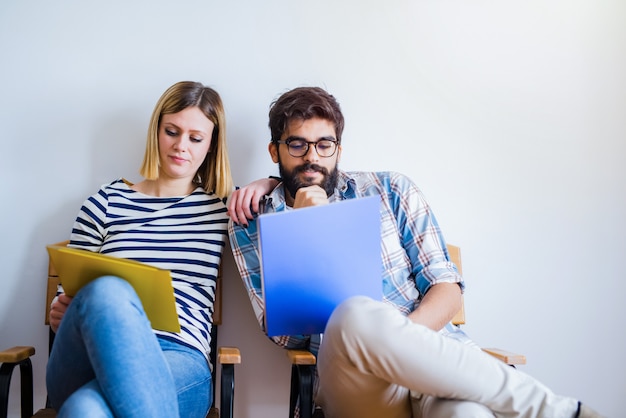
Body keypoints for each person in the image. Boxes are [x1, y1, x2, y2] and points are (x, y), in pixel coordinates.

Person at [227, 86, 604, 418]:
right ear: (275, 149)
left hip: (437, 358)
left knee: (469, 413)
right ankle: (550, 410)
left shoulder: (390, 190)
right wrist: (306, 223)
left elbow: (447, 288)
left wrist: (402, 343)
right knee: (356, 314)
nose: (312, 157)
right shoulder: (252, 216)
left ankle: (560, 412)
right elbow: (284, 336)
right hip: (354, 376)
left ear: (338, 149)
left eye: (324, 145)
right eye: (297, 144)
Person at [47, 81, 236, 418]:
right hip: (93, 353)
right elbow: (67, 302)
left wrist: (267, 182)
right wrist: (60, 307)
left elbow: (284, 203)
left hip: (179, 357)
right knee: (107, 290)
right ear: (156, 131)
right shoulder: (104, 204)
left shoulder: (222, 209)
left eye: (195, 138)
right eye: (172, 132)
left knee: (84, 409)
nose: (181, 146)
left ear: (211, 146)